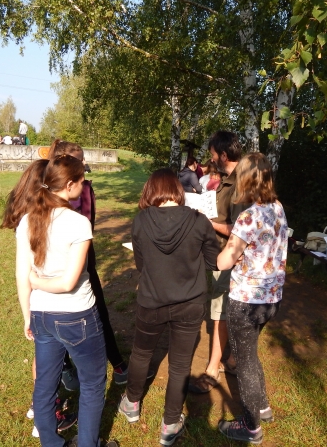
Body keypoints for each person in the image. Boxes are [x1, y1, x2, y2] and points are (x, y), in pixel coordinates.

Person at [118, 168, 220, 446]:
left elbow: (141, 265)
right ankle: (169, 423)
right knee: (180, 364)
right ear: (178, 190)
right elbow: (214, 261)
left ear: (151, 191)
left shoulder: (140, 221)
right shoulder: (199, 222)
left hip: (151, 301)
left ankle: (131, 404)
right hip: (189, 304)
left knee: (141, 354)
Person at [15, 155, 106, 447]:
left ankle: (52, 444)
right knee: (92, 384)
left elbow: (21, 274)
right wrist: (39, 282)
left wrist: (27, 314)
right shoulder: (78, 223)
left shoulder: (28, 220)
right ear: (70, 185)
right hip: (76, 315)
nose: (84, 185)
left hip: (42, 314)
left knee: (44, 384)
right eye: (82, 181)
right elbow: (68, 283)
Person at [216, 152, 288, 445]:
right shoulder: (278, 208)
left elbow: (224, 261)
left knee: (244, 361)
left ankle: (251, 427)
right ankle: (263, 407)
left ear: (245, 180)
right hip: (271, 299)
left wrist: (219, 251)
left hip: (246, 301)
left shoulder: (248, 217)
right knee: (251, 353)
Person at [48, 139, 129, 385]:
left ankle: (113, 363)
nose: (85, 163)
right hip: (71, 262)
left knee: (90, 311)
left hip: (82, 260)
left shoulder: (81, 188)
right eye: (80, 159)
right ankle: (71, 369)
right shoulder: (71, 192)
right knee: (83, 313)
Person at [189, 131, 244, 394]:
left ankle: (213, 368)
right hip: (216, 254)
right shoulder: (222, 180)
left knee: (220, 313)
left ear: (223, 155)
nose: (210, 159)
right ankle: (230, 359)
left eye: (212, 155)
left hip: (230, 257)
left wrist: (206, 222)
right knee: (218, 309)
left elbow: (239, 229)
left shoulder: (243, 183)